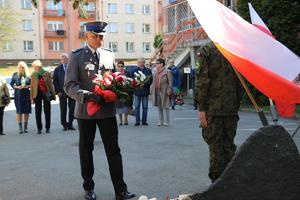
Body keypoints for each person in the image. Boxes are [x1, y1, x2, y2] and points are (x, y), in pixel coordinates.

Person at [64, 21, 135, 200]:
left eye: (102, 36)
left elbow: (114, 80)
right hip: (86, 111)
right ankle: (89, 188)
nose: (99, 39)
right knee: (86, 151)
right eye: (96, 35)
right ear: (87, 35)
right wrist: (87, 95)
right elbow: (69, 85)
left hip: (106, 111)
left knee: (113, 150)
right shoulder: (76, 56)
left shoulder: (108, 55)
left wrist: (122, 90)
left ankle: (120, 190)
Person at [195, 42, 243, 183]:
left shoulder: (207, 50)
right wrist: (235, 103)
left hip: (213, 109)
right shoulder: (234, 50)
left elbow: (203, 82)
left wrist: (202, 108)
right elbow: (240, 83)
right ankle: (229, 182)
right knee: (229, 145)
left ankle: (217, 184)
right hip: (230, 108)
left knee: (216, 147)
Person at [30, 60, 56, 134]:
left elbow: (50, 84)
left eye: (36, 67)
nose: (35, 68)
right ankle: (39, 128)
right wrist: (31, 98)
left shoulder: (46, 73)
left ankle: (47, 127)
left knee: (47, 111)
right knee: (38, 112)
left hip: (46, 94)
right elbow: (32, 87)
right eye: (34, 67)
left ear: (40, 66)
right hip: (37, 95)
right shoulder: (33, 75)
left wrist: (53, 94)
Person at [53, 53, 76, 131]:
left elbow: (76, 79)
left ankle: (70, 124)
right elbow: (55, 81)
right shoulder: (57, 69)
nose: (64, 60)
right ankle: (64, 125)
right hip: (61, 92)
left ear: (68, 59)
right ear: (61, 60)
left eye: (65, 58)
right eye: (62, 59)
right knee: (63, 109)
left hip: (71, 91)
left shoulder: (72, 68)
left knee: (72, 108)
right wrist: (57, 91)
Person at [10, 61, 31, 134]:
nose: (21, 68)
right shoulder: (15, 75)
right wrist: (17, 87)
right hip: (18, 95)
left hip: (26, 94)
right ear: (18, 67)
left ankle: (25, 127)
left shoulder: (28, 75)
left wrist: (28, 86)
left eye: (22, 67)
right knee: (19, 112)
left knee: (26, 112)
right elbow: (11, 84)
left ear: (25, 68)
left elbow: (32, 84)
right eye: (20, 67)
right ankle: (20, 128)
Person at [151, 58, 173, 126]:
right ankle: (161, 121)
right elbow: (153, 82)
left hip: (165, 91)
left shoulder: (167, 71)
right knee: (159, 106)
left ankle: (167, 121)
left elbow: (170, 82)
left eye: (157, 63)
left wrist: (169, 89)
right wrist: (152, 90)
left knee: (166, 106)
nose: (156, 65)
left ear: (161, 64)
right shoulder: (155, 73)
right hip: (157, 91)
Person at [132, 57, 153, 126]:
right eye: (138, 62)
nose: (138, 63)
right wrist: (137, 84)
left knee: (145, 107)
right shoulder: (134, 70)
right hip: (137, 91)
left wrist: (143, 84)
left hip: (145, 91)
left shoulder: (148, 70)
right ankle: (137, 121)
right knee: (137, 107)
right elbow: (132, 80)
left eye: (139, 62)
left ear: (143, 63)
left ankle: (144, 121)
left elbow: (150, 80)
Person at [115, 61, 132, 126]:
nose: (120, 67)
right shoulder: (115, 74)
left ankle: (126, 119)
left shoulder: (127, 73)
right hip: (118, 92)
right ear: (117, 67)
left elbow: (130, 81)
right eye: (119, 66)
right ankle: (120, 120)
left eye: (121, 66)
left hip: (125, 91)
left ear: (123, 67)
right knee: (119, 106)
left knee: (126, 106)